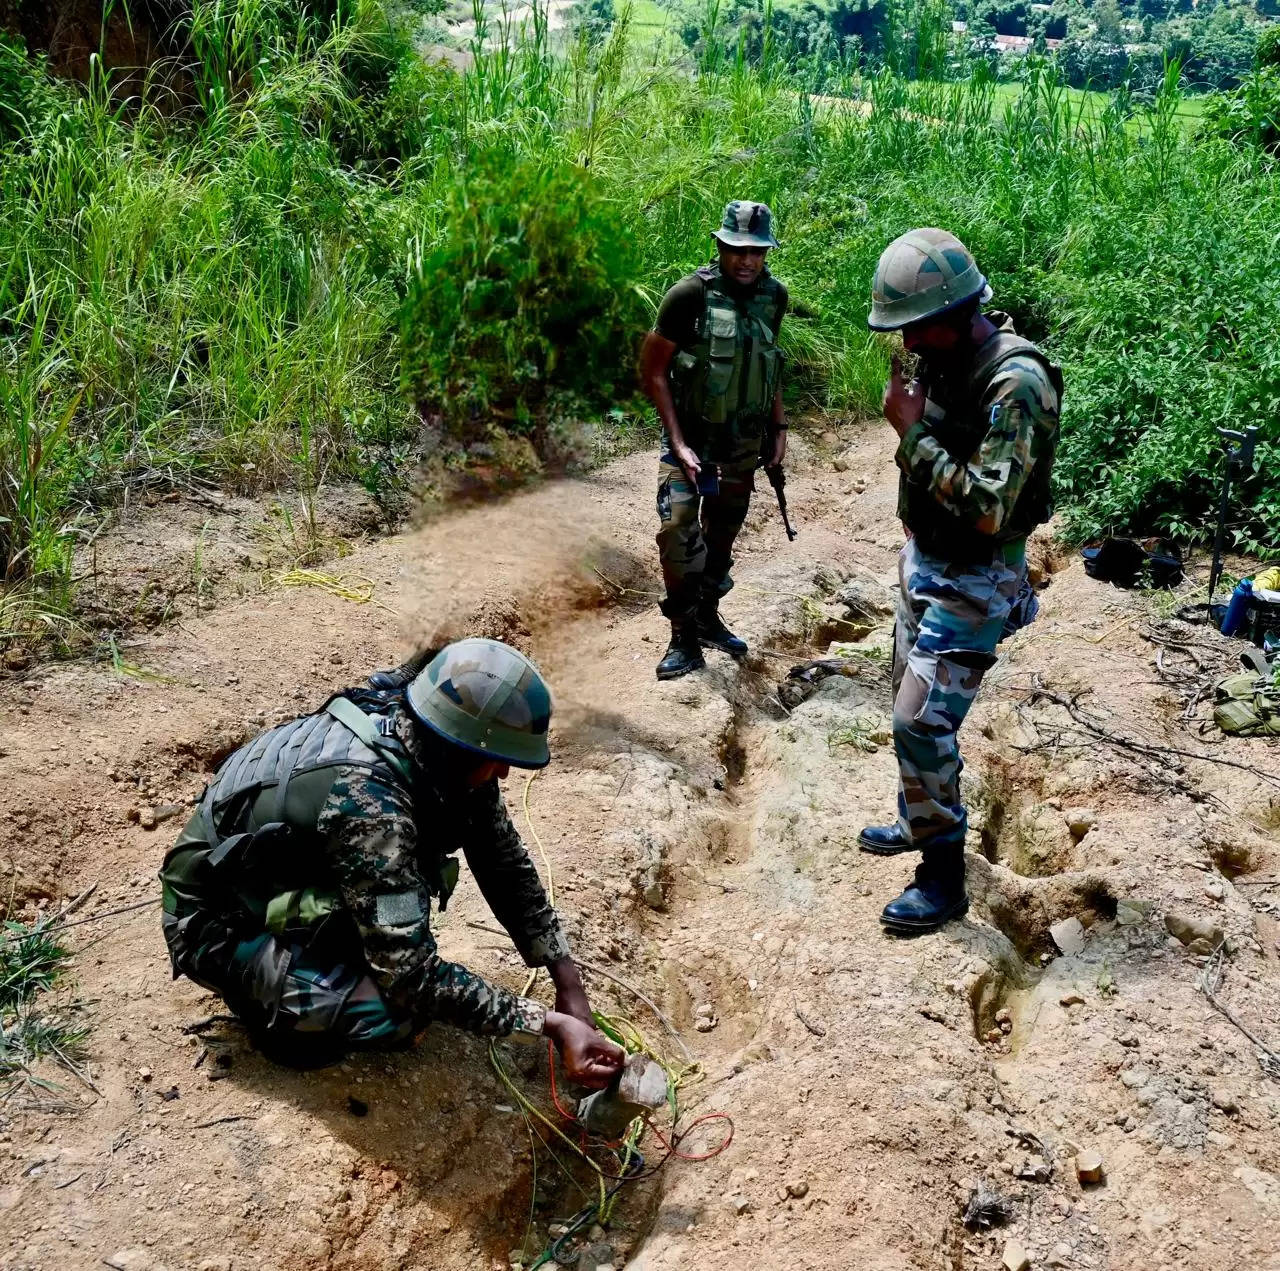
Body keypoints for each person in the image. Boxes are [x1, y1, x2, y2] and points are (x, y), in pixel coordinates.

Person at [160, 639, 624, 1085]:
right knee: (395, 1016)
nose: (502, 773)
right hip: (214, 924)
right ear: (459, 744)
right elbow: (411, 977)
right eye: (496, 760)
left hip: (279, 877)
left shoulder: (436, 737)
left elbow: (502, 861)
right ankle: (273, 1009)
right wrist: (548, 1024)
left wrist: (566, 978)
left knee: (396, 925)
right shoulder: (370, 802)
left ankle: (320, 948)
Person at [858, 228, 1063, 933]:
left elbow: (987, 510)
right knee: (907, 703)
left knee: (920, 718)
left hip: (975, 578)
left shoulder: (1016, 382)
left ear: (952, 316)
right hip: (927, 561)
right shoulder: (944, 359)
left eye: (915, 330)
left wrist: (909, 434)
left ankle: (943, 876)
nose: (907, 344)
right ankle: (918, 815)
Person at [639, 200, 789, 680]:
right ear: (720, 245)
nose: (747, 260)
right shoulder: (689, 295)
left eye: (757, 252)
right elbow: (653, 369)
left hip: (743, 446)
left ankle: (707, 618)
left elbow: (772, 365)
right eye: (737, 250)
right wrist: (678, 443)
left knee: (722, 535)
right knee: (678, 531)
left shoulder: (774, 297)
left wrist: (779, 429)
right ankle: (682, 635)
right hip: (693, 442)